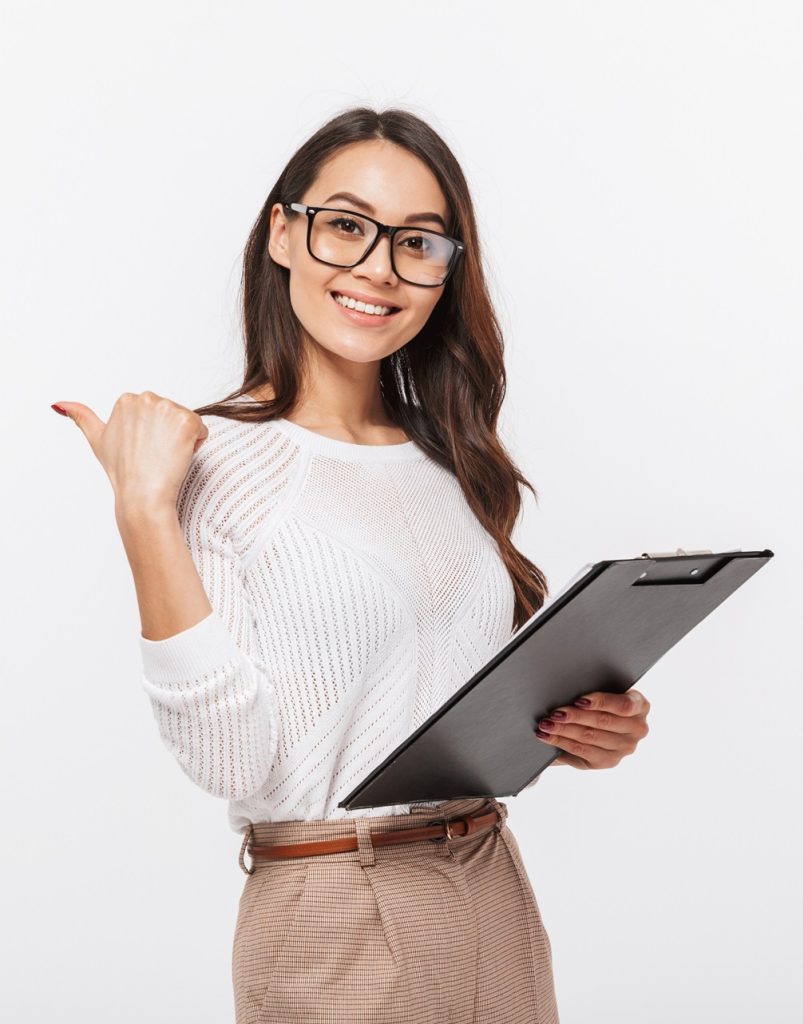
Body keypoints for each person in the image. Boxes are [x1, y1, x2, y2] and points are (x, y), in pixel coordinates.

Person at [52, 105, 651, 1024]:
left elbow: (414, 703)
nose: (378, 268)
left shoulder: (452, 462)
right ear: (283, 234)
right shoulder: (210, 462)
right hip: (334, 907)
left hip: (492, 885)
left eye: (418, 242)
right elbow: (229, 759)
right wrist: (143, 511)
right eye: (345, 226)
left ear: (448, 272)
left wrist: (574, 732)